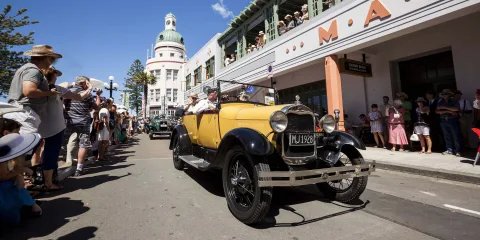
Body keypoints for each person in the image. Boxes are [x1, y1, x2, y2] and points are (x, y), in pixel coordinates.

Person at [4, 45, 63, 168]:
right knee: (23, 152)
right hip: (25, 114)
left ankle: (17, 180)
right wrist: (49, 93)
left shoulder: (26, 69)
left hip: (21, 113)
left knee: (17, 151)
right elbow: (29, 91)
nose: (52, 62)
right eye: (52, 59)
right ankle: (19, 182)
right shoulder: (33, 70)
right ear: (45, 58)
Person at [40, 67, 92, 190]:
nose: (57, 77)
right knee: (81, 144)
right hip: (70, 122)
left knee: (50, 148)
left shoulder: (43, 89)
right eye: (55, 75)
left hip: (61, 121)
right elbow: (84, 99)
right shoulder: (60, 90)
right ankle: (76, 169)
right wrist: (90, 88)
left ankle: (44, 176)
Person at [0, 132, 43, 227]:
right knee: (12, 219)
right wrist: (21, 171)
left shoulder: (9, 158)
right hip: (3, 190)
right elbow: (2, 177)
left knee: (18, 186)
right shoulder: (2, 161)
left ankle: (30, 206)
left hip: (8, 187)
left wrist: (19, 175)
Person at [63, 76, 102, 176]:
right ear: (83, 83)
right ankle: (79, 169)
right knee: (83, 145)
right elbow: (96, 107)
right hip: (83, 122)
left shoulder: (68, 92)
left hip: (69, 121)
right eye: (87, 83)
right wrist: (98, 95)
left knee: (62, 142)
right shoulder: (88, 95)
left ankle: (53, 170)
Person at [436, 89, 462, 156]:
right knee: (446, 135)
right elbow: (437, 111)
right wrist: (448, 111)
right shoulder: (440, 101)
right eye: (443, 94)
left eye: (446, 94)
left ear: (449, 95)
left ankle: (458, 150)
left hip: (452, 120)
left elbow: (456, 109)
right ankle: (449, 149)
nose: (444, 96)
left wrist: (444, 107)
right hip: (443, 120)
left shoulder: (453, 100)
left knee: (456, 135)